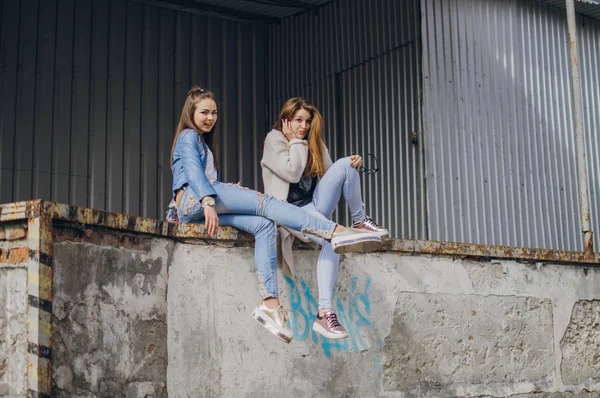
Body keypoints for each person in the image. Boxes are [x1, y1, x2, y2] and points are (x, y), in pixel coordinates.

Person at [167, 86, 382, 344]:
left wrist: (219, 193)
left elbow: (205, 175)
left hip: (201, 202)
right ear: (191, 113)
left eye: (214, 113)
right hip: (195, 199)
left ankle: (270, 305)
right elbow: (192, 171)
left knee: (264, 225)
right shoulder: (188, 136)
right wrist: (208, 199)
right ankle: (333, 231)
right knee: (264, 204)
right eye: (204, 112)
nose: (210, 118)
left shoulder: (202, 142)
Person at [261, 97, 389, 340]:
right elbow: (292, 171)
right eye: (298, 120)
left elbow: (334, 176)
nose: (304, 126)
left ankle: (360, 220)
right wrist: (297, 142)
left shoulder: (314, 142)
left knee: (346, 164)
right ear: (286, 119)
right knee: (333, 240)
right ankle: (325, 312)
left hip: (313, 207)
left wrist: (352, 166)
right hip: (288, 212)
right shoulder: (274, 139)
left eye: (308, 121)